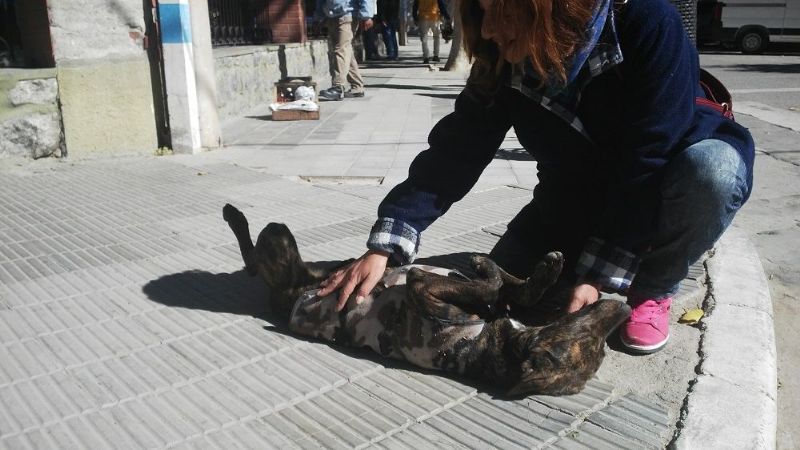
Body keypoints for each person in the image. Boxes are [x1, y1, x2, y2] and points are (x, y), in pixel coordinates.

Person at [318, 0, 754, 355]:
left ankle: (653, 288)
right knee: (497, 300)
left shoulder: (647, 20)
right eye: (479, 12)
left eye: (498, 11)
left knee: (712, 171)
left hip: (655, 189)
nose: (487, 29)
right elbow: (458, 148)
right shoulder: (501, 53)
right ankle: (588, 259)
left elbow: (649, 158)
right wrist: (387, 243)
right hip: (569, 201)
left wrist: (596, 276)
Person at [315, 0, 375, 100]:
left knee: (341, 50)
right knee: (346, 51)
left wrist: (367, 16)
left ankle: (338, 87)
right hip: (331, 16)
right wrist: (318, 17)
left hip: (348, 15)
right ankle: (357, 87)